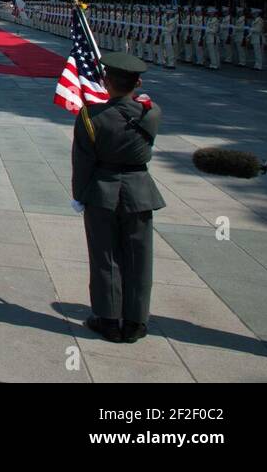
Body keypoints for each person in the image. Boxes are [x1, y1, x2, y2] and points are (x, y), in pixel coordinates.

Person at [72, 51, 165, 344]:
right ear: (137, 82)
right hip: (139, 191)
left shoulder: (91, 117)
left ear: (105, 81)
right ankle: (136, 321)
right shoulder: (151, 113)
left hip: (103, 190)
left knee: (105, 257)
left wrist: (80, 195)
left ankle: (108, 319)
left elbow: (83, 162)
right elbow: (143, 105)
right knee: (139, 257)